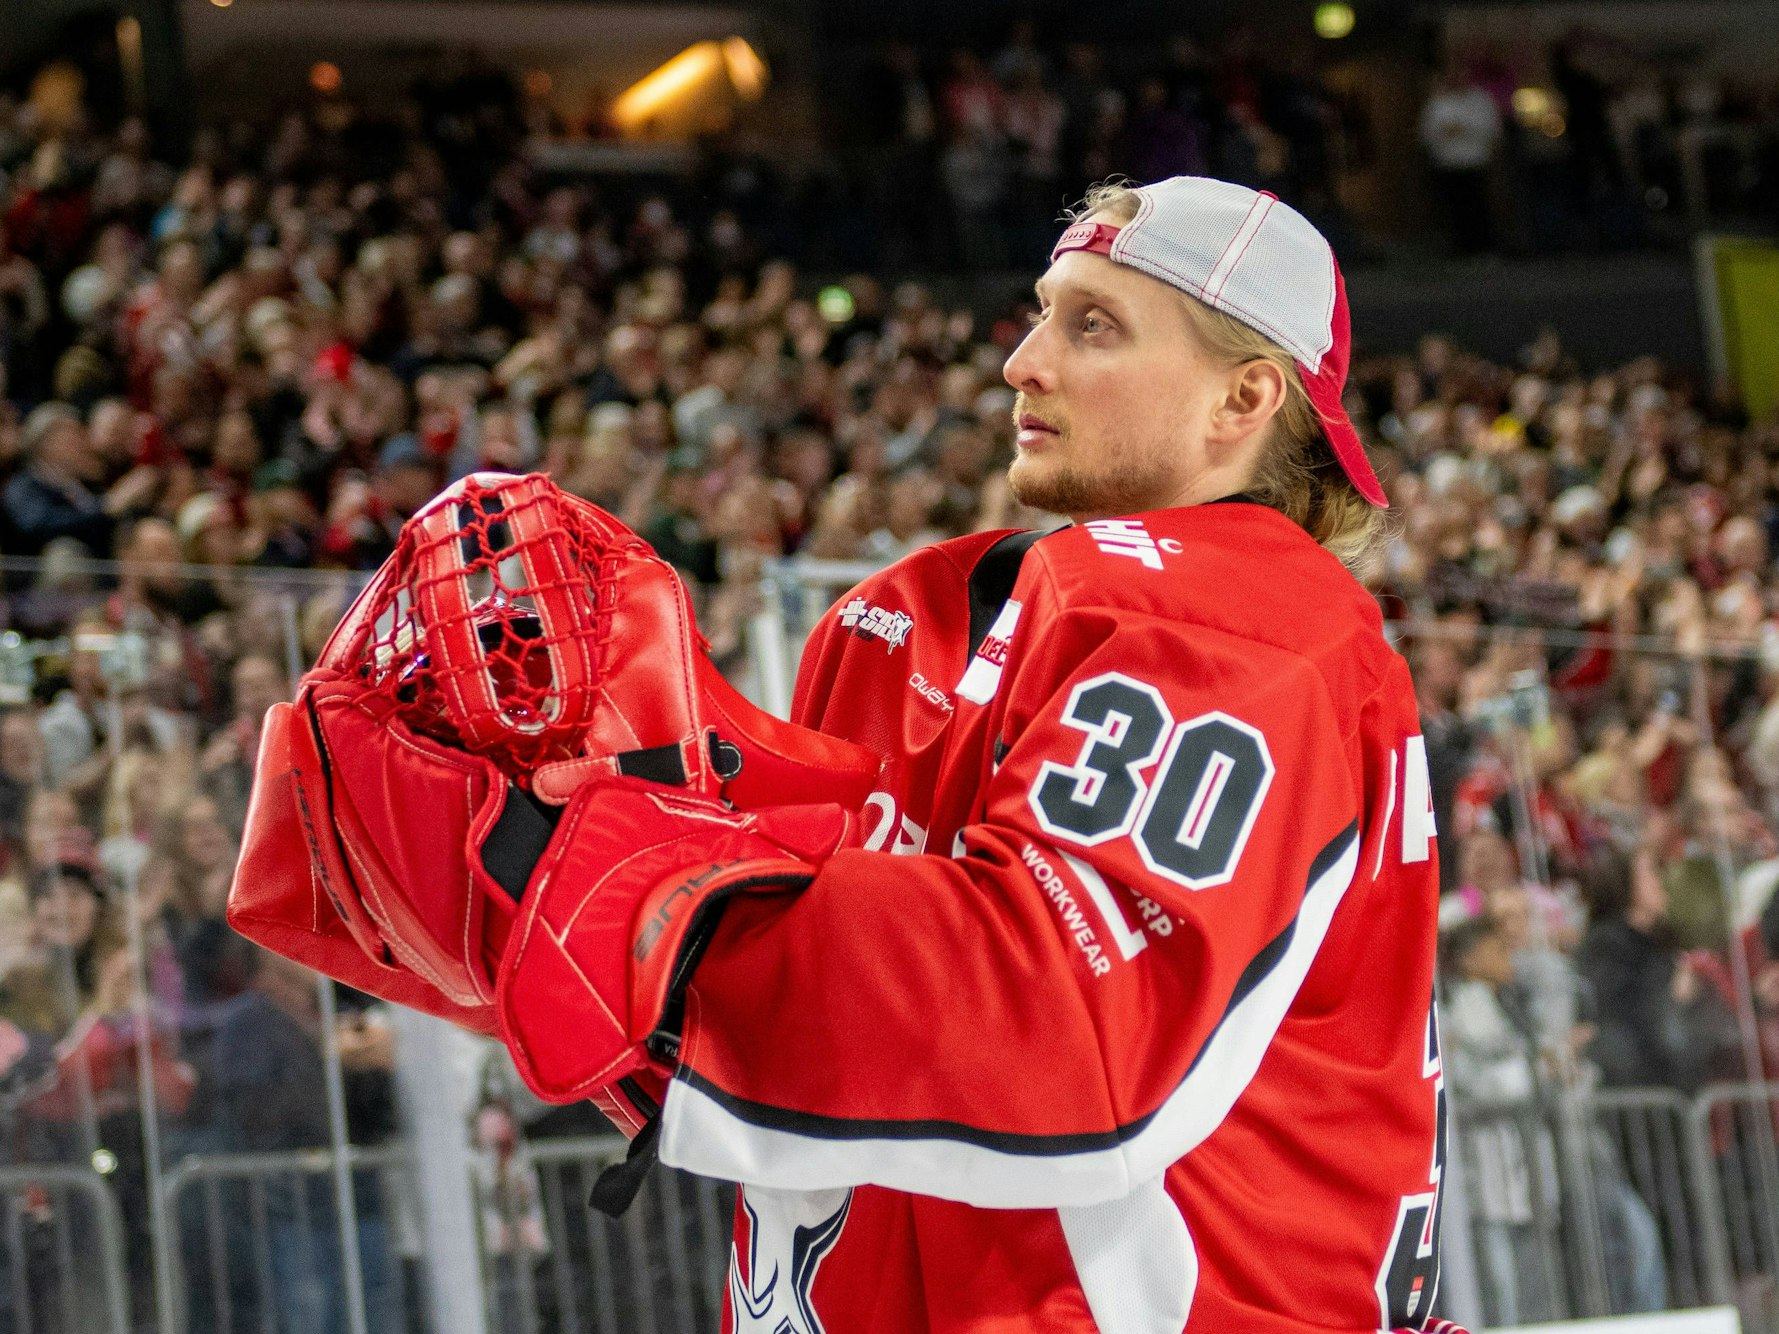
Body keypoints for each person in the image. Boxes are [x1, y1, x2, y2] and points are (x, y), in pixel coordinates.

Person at [587, 178, 1446, 1329]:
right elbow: (815, 1008)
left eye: (1094, 325)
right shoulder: (913, 616)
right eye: (1043, 310)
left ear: (1244, 396)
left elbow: (1061, 1025)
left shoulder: (1241, 619)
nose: (1023, 361)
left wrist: (616, 891)